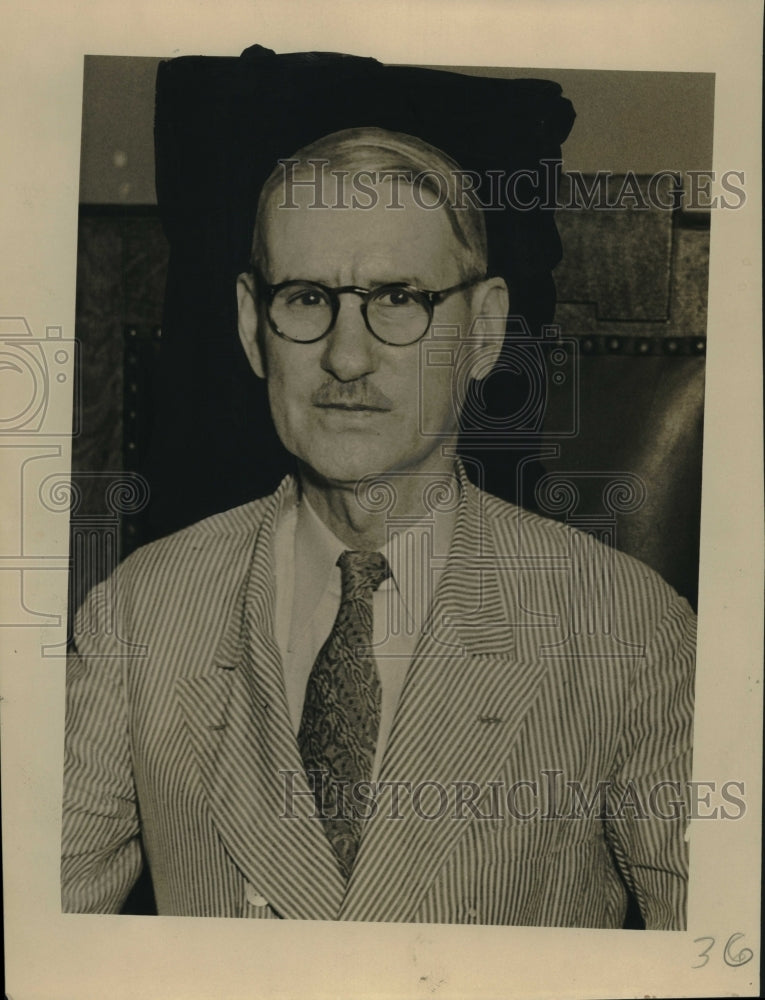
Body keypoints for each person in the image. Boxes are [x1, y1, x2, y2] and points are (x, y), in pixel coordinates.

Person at [61, 127, 696, 928]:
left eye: (400, 298)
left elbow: (719, 958)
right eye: (306, 299)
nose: (347, 357)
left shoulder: (628, 630)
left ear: (485, 328)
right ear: (254, 326)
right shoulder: (139, 615)